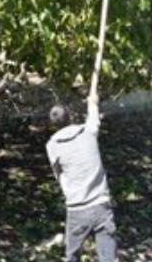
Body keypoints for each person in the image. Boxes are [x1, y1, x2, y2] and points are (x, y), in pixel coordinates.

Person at [46, 88, 116, 262]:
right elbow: (93, 116)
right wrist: (93, 103)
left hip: (77, 208)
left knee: (72, 256)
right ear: (70, 117)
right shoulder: (88, 131)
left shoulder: (52, 145)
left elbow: (58, 174)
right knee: (108, 258)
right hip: (101, 204)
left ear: (52, 124)